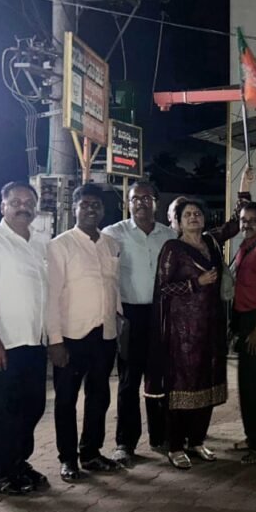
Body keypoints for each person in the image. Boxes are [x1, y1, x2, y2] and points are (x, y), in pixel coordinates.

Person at [0, 181, 51, 496]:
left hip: (34, 341)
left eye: (28, 202)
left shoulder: (40, 243)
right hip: (5, 343)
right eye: (15, 202)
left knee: (32, 407)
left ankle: (18, 462)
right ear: (2, 206)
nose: (22, 207)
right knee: (3, 412)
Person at [46, 183, 121, 483]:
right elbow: (51, 297)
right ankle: (67, 458)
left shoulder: (111, 244)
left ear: (103, 211)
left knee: (99, 396)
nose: (91, 209)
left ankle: (91, 452)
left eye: (96, 205)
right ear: (75, 208)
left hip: (105, 334)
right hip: (71, 336)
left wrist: (119, 319)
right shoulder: (60, 245)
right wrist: (55, 341)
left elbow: (113, 287)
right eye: (85, 204)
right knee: (66, 400)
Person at [148, 199, 229, 470]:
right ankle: (175, 446)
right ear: (179, 222)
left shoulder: (211, 244)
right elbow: (162, 289)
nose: (193, 217)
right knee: (183, 387)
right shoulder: (173, 248)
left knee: (208, 384)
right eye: (187, 215)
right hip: (183, 332)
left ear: (204, 219)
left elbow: (234, 226)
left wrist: (244, 187)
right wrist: (196, 283)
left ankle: (197, 441)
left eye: (197, 213)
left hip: (211, 327)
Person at [102, 181, 175, 465]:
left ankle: (161, 436)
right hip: (130, 316)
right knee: (129, 381)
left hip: (161, 314)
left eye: (147, 198)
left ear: (156, 202)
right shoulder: (114, 234)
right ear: (127, 203)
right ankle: (125, 442)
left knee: (159, 379)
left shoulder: (169, 235)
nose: (141, 203)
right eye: (135, 198)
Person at [232, 201, 256, 465]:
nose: (247, 224)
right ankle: (251, 436)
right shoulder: (245, 246)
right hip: (244, 321)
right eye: (244, 220)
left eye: (253, 221)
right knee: (246, 384)